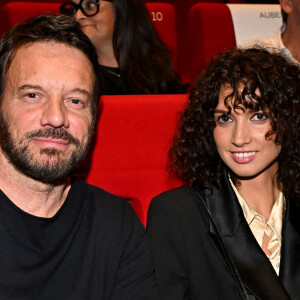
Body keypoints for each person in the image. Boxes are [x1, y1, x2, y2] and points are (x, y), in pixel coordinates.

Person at [0, 14, 158, 299]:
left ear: (94, 116)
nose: (57, 117)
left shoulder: (116, 225)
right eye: (33, 95)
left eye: (76, 101)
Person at [146, 47, 300, 299]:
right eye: (225, 119)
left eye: (258, 116)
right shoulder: (177, 214)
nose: (239, 138)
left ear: (289, 120)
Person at [59, 0, 184, 95]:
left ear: (123, 9)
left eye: (91, 5)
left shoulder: (159, 73)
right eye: (73, 9)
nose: (77, 16)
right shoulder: (69, 74)